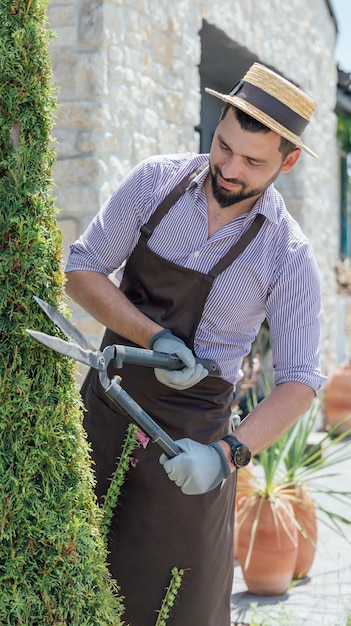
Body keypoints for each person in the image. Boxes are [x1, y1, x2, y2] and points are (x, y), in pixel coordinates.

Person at [64, 62, 327, 626]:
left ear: (289, 161)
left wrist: (225, 455)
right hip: (105, 411)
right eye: (222, 145)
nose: (228, 168)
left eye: (253, 161)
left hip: (193, 441)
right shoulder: (154, 182)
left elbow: (302, 380)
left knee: (179, 605)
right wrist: (152, 336)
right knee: (71, 584)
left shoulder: (289, 255)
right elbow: (81, 270)